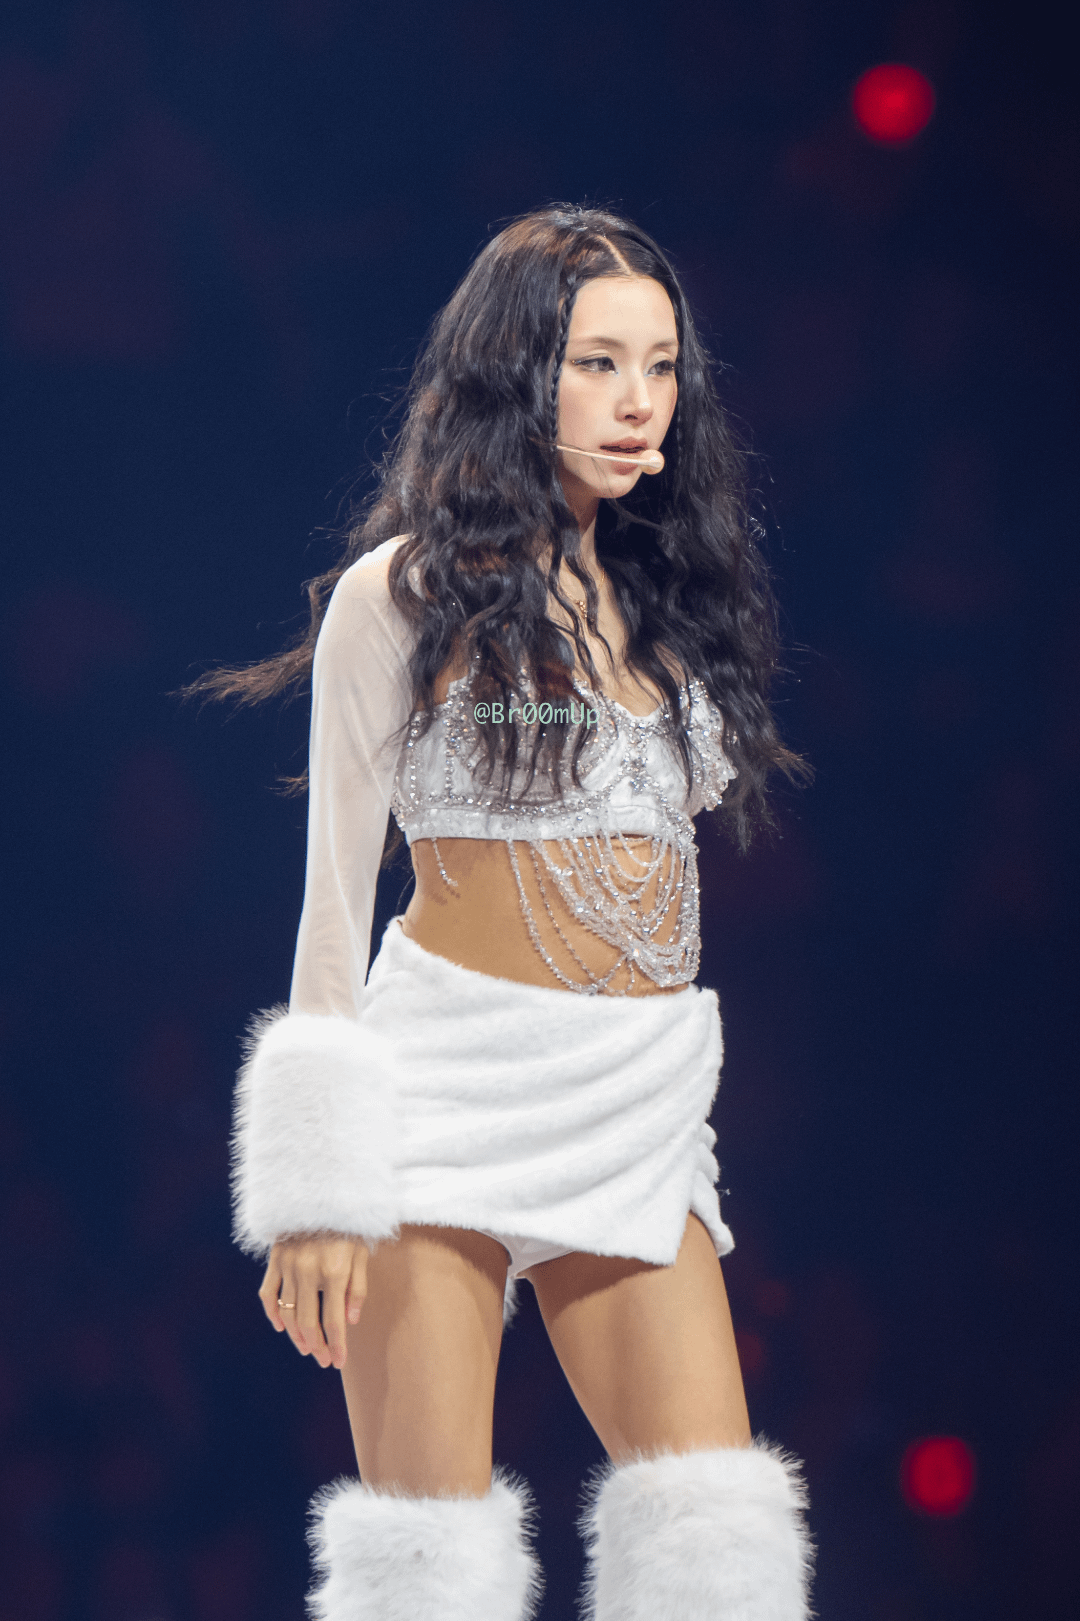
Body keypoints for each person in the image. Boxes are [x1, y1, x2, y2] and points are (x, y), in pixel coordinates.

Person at [206, 206, 813, 1619]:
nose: (639, 400)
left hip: (637, 1106)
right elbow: (332, 902)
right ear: (517, 373)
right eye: (599, 363)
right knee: (429, 1578)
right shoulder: (403, 597)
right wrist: (317, 1193)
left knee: (717, 1560)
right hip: (448, 1100)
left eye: (661, 366)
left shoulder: (670, 605)